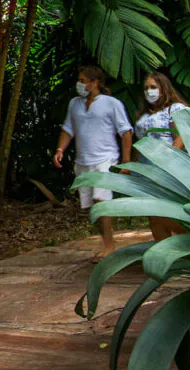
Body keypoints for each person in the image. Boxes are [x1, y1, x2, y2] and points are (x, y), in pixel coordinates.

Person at [52, 65, 133, 259]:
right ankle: (107, 241)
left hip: (105, 159)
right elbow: (67, 129)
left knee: (100, 201)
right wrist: (60, 149)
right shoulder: (74, 104)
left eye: (82, 80)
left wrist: (126, 160)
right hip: (83, 161)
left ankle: (109, 247)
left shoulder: (111, 103)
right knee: (92, 207)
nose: (79, 84)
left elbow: (126, 132)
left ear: (94, 82)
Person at [134, 71, 189, 242]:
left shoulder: (174, 109)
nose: (149, 91)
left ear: (163, 89)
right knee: (152, 213)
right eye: (146, 88)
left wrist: (168, 160)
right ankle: (164, 253)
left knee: (168, 212)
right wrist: (133, 167)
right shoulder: (144, 115)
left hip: (169, 170)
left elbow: (182, 137)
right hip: (146, 171)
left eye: (153, 87)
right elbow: (141, 143)